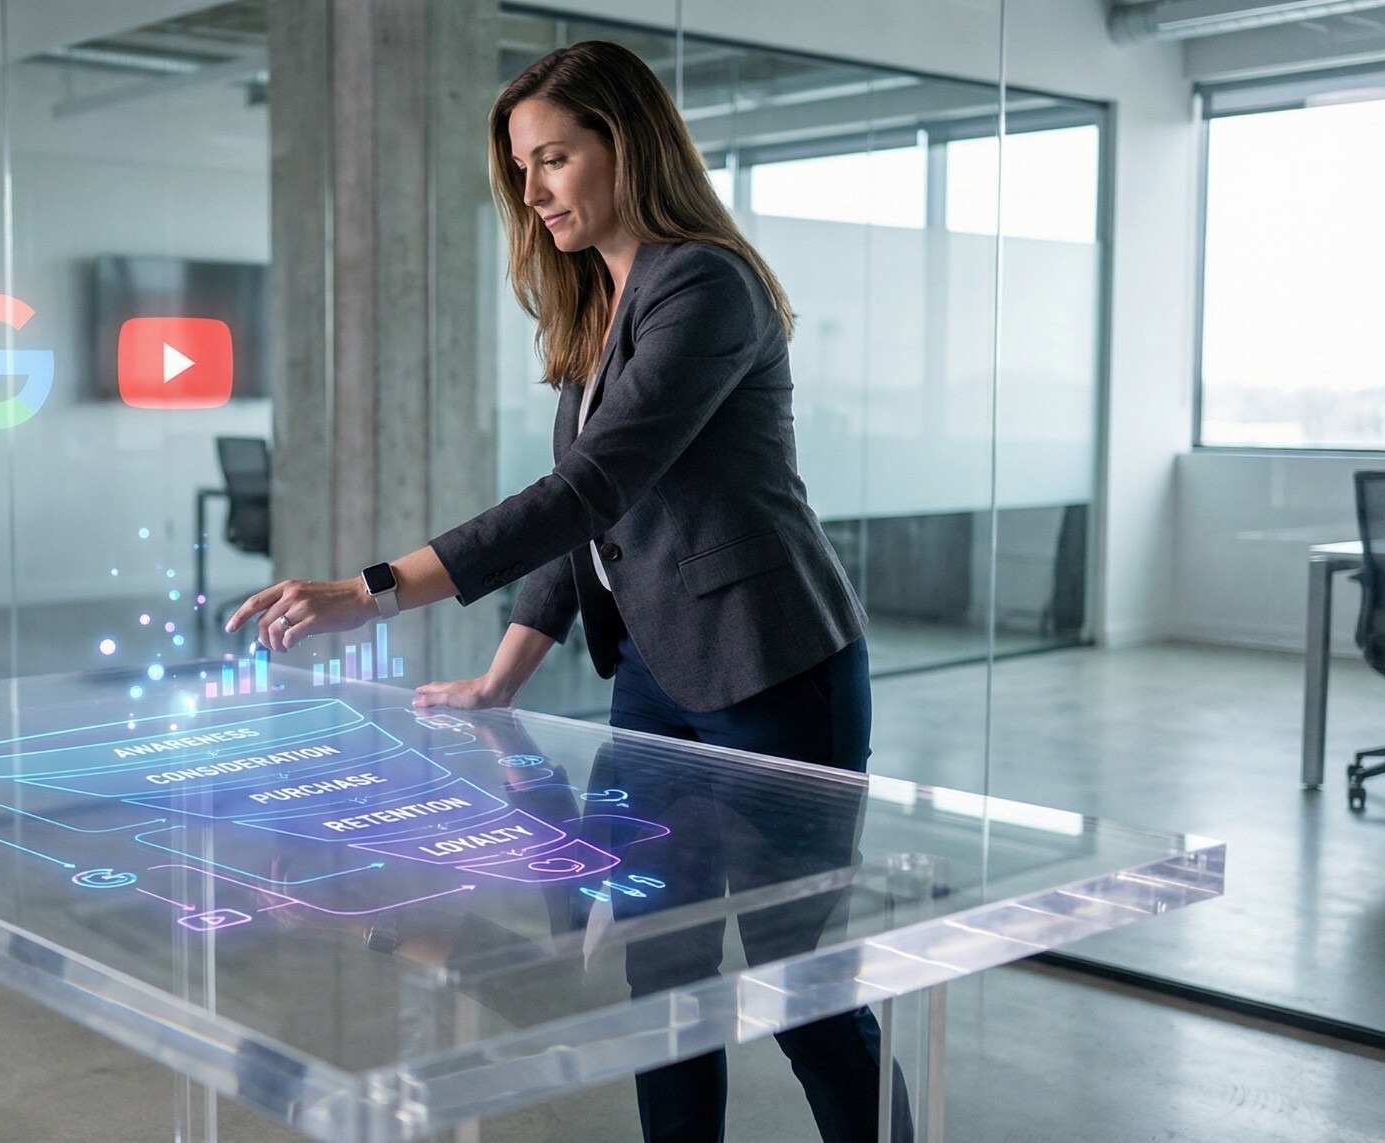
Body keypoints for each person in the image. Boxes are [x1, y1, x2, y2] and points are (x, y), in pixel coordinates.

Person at [226, 40, 903, 1142]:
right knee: (660, 980)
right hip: (655, 678)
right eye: (519, 170)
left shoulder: (704, 284)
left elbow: (594, 482)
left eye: (552, 158)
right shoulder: (598, 305)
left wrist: (376, 590)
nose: (533, 191)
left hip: (776, 667)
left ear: (623, 145)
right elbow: (590, 518)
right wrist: (504, 673)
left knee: (800, 991)